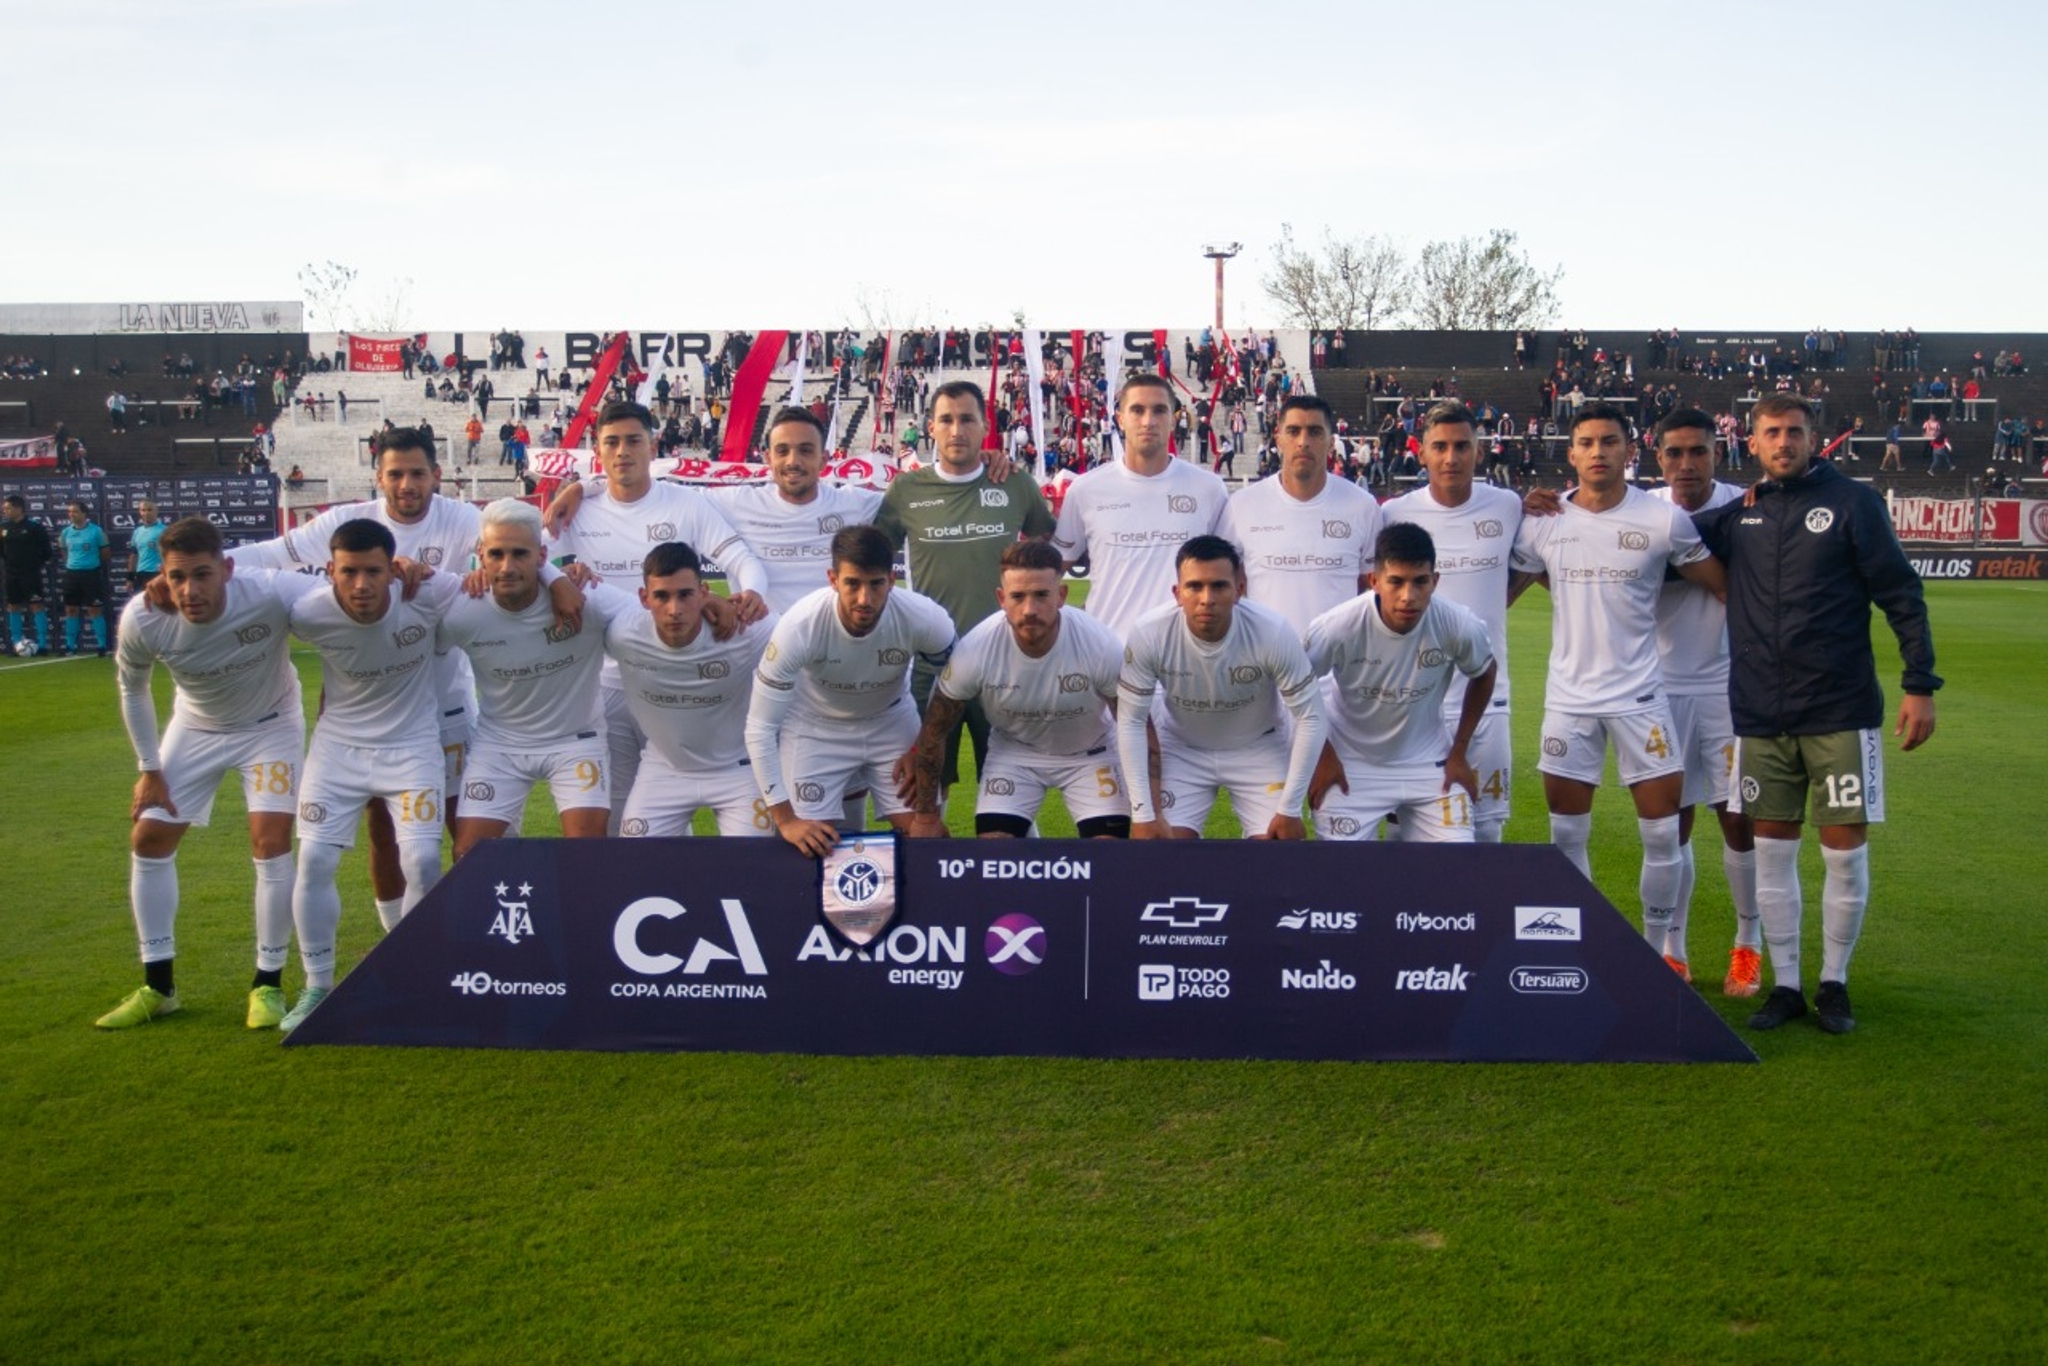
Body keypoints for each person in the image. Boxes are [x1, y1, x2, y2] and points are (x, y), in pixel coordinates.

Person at [1693, 393, 1940, 1034]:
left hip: (1839, 709)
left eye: (1794, 432)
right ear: (1752, 442)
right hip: (1760, 714)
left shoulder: (1854, 503)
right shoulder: (1737, 516)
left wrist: (1920, 684)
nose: (1783, 442)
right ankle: (1786, 987)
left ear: (1812, 438)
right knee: (1773, 855)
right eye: (1772, 433)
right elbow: (1661, 539)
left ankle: (1835, 983)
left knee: (1843, 853)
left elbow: (1901, 593)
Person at [230, 428, 513, 931]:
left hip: (446, 702)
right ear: (378, 477)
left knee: (465, 830)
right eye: (395, 474)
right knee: (383, 831)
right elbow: (272, 555)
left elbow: (522, 547)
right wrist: (197, 568)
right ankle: (399, 945)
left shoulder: (464, 519)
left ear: (436, 475)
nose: (407, 485)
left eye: (417, 473)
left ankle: (489, 939)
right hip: (373, 711)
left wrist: (549, 571)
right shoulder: (347, 522)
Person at [1512, 403, 1726, 953]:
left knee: (1663, 835)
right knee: (1566, 836)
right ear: (1571, 453)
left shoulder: (1663, 520)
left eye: (1610, 442)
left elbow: (1725, 587)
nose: (1598, 452)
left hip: (1642, 698)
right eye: (1587, 443)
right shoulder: (1543, 521)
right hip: (1569, 700)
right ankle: (1579, 950)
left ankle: (1657, 955)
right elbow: (1499, 595)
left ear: (1629, 451)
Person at [96, 517, 324, 1031]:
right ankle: (159, 988)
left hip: (270, 726)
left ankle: (267, 984)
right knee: (148, 837)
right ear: (162, 575)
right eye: (177, 577)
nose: (189, 590)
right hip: (195, 727)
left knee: (270, 841)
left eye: (202, 575)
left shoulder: (267, 591)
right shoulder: (144, 617)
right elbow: (132, 688)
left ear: (227, 569)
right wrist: (149, 769)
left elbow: (341, 594)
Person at [547, 401, 768, 834]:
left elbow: (742, 560)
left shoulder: (685, 503)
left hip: (675, 677)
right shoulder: (577, 509)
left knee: (674, 786)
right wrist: (558, 576)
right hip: (608, 682)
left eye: (634, 441)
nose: (622, 451)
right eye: (612, 442)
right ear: (598, 449)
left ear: (653, 446)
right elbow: (531, 556)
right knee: (624, 817)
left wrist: (749, 595)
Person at [280, 519, 463, 1034]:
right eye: (349, 572)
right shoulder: (308, 612)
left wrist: (558, 577)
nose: (361, 585)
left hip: (413, 748)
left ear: (393, 570)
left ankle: (417, 978)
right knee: (314, 860)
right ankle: (317, 987)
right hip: (337, 752)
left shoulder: (425, 594)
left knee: (422, 860)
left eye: (373, 572)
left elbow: (493, 580)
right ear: (329, 571)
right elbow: (246, 588)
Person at [875, 380, 1056, 800]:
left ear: (985, 427)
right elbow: (875, 562)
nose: (957, 430)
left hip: (1004, 665)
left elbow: (1046, 544)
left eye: (967, 419)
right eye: (946, 420)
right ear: (930, 429)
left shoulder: (1015, 484)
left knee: (1013, 790)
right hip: (932, 666)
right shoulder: (906, 490)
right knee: (925, 792)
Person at [744, 525, 955, 855]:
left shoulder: (925, 617)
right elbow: (760, 727)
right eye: (852, 584)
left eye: (876, 584)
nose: (864, 599)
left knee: (927, 836)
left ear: (892, 579)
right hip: (815, 728)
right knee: (806, 846)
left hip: (891, 722)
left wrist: (921, 747)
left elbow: (956, 690)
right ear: (833, 579)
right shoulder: (799, 626)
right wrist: (785, 821)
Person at [903, 539, 1128, 838]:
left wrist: (1147, 812)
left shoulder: (1100, 644)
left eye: (1041, 595)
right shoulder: (976, 649)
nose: (1029, 609)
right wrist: (926, 816)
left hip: (1091, 753)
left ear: (1061, 595)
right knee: (995, 850)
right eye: (1018, 596)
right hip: (1015, 754)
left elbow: (1135, 725)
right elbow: (935, 730)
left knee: (1109, 852)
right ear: (1001, 598)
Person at [1647, 410, 1761, 993]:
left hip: (1728, 687)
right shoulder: (1641, 511)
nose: (1686, 464)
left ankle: (1748, 943)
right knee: (1671, 824)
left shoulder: (1747, 507)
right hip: (1657, 688)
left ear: (1719, 452)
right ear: (1658, 457)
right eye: (1675, 453)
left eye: (1699, 452)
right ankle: (1674, 950)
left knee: (1737, 817)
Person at [1380, 403, 1528, 843]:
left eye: (1462, 446)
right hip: (1411, 699)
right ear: (1421, 452)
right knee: (1402, 831)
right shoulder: (1393, 514)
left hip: (1487, 698)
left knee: (1486, 829)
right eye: (1440, 447)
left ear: (1479, 451)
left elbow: (1531, 564)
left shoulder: (1508, 507)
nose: (1451, 457)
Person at [1115, 535, 1325, 840]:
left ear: (1239, 589)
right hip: (1182, 748)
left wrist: (1290, 808)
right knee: (1165, 850)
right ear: (1177, 593)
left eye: (1219, 586)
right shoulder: (1149, 633)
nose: (1206, 599)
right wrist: (1143, 814)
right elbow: (1131, 721)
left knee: (1279, 849)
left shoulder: (1272, 631)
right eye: (1194, 586)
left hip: (1258, 747)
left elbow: (1311, 716)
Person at [436, 500, 610, 859]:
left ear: (542, 556)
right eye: (496, 554)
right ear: (481, 556)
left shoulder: (585, 597)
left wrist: (712, 604)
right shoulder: (461, 609)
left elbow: (647, 619)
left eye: (520, 554)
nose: (507, 566)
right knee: (468, 856)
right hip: (500, 743)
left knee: (588, 855)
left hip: (576, 740)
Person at [1303, 522, 1497, 842]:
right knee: (1342, 869)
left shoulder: (1459, 624)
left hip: (1430, 763)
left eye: (1420, 581)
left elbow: (1485, 672)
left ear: (1435, 581)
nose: (1408, 596)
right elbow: (1295, 687)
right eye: (1396, 581)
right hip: (1350, 766)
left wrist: (1459, 750)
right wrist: (1323, 756)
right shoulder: (1336, 627)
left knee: (1457, 861)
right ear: (1374, 581)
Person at [607, 541, 777, 838]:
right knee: (636, 859)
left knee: (751, 862)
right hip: (663, 768)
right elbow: (568, 590)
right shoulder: (622, 632)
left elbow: (804, 641)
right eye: (662, 596)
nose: (674, 610)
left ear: (704, 593)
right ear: (644, 598)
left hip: (738, 769)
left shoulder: (745, 630)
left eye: (685, 595)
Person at [1053, 372, 1229, 640]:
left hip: (1187, 652)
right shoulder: (1086, 489)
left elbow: (1231, 574)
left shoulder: (1209, 488)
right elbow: (1052, 571)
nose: (1148, 421)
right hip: (1110, 651)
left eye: (1159, 410)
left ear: (1173, 420)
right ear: (1120, 419)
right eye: (1137, 410)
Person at [1216, 394, 1381, 637]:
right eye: (1293, 431)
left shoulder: (1363, 507)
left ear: (1330, 442)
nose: (1303, 442)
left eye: (1315, 432)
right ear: (1279, 440)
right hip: (1267, 657)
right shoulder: (1242, 505)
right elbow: (1226, 581)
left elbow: (1370, 586)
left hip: (1339, 659)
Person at [701, 407, 883, 612]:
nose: (793, 461)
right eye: (782, 451)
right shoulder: (735, 502)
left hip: (829, 631)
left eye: (805, 451)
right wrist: (704, 599)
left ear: (823, 460)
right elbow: (673, 500)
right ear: (768, 458)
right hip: (762, 632)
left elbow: (908, 501)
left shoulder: (854, 502)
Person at [58, 501, 111, 656]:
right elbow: (64, 551)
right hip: (72, 574)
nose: (71, 515)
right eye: (69, 512)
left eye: (75, 511)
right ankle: (70, 646)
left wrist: (92, 564)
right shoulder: (66, 532)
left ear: (84, 513)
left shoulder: (96, 531)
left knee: (95, 609)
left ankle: (102, 646)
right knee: (71, 609)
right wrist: (71, 563)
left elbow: (105, 553)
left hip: (91, 574)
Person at [2, 494, 53, 652]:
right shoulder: (3, 527)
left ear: (19, 508)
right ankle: (17, 643)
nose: (5, 511)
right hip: (11, 573)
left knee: (37, 605)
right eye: (4, 508)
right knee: (13, 606)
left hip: (30, 574)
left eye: (8, 508)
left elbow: (47, 551)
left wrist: (33, 565)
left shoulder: (34, 527)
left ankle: (42, 644)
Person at [126, 500, 164, 594]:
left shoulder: (165, 530)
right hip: (141, 574)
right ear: (140, 512)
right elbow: (134, 555)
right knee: (141, 602)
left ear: (156, 511)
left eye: (149, 510)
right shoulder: (137, 531)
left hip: (158, 574)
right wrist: (130, 578)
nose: (146, 513)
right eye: (143, 510)